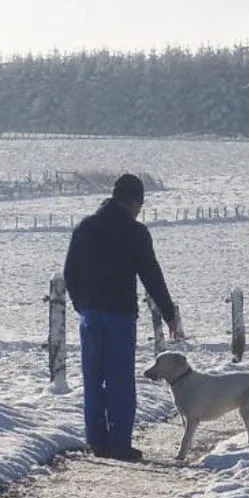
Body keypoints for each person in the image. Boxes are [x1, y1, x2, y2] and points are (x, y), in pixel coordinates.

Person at [63, 173, 181, 460]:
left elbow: (69, 272)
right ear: (135, 202)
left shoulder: (85, 227)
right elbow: (151, 275)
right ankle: (119, 443)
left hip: (90, 315)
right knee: (120, 381)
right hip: (120, 315)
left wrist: (81, 304)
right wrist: (169, 313)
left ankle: (97, 442)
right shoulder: (135, 232)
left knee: (93, 379)